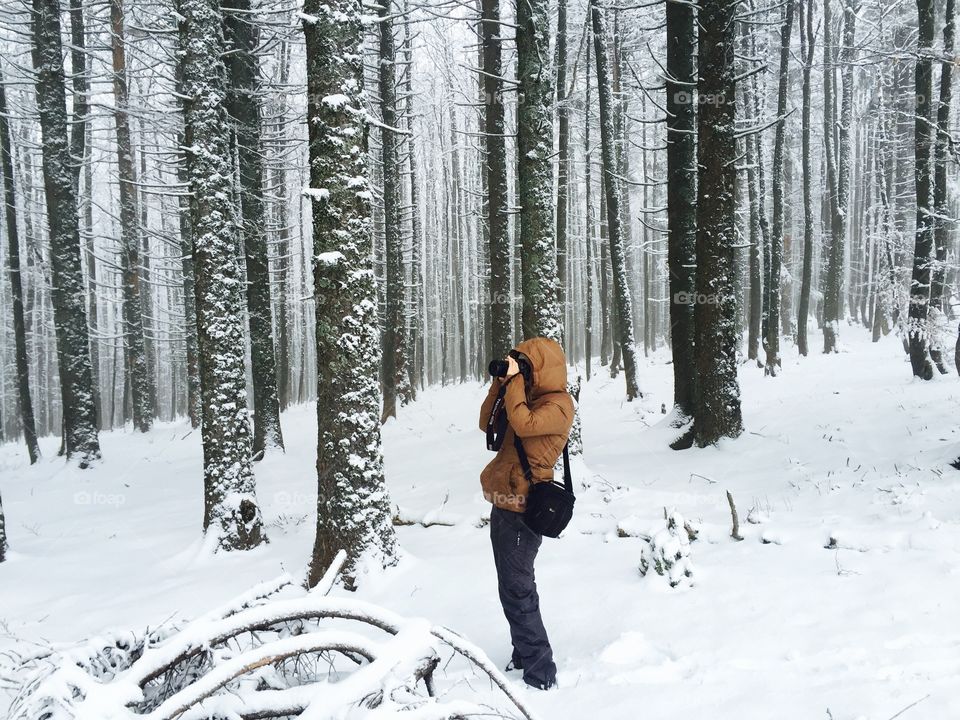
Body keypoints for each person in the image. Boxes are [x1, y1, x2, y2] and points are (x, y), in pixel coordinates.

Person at [478, 336, 574, 690]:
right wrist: (500, 384)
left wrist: (516, 382)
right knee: (510, 587)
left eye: (525, 368)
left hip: (524, 507)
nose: (521, 374)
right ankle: (523, 654)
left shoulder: (560, 405)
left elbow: (524, 425)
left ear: (541, 370)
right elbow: (486, 423)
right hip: (503, 502)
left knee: (518, 589)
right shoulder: (523, 396)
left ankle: (540, 671)